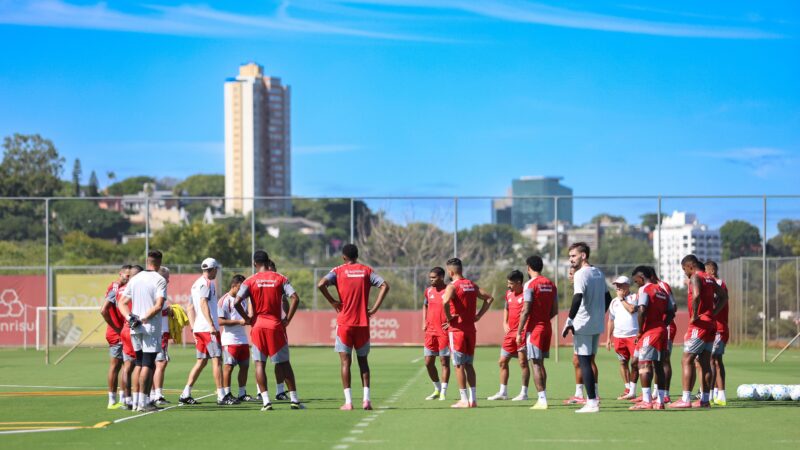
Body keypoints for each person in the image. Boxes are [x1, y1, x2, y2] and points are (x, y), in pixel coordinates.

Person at [318, 244, 390, 411]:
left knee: (345, 363)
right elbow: (385, 285)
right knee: (363, 362)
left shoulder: (338, 270)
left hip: (345, 323)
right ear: (357, 256)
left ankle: (349, 402)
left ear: (344, 257)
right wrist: (375, 308)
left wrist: (333, 301)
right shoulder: (366, 270)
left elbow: (321, 284)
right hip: (362, 323)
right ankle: (366, 400)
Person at [235, 251, 303, 411]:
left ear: (254, 264)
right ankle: (294, 400)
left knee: (259, 364)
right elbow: (295, 297)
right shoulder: (280, 278)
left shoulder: (250, 281)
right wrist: (288, 319)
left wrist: (248, 318)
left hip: (257, 327)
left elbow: (237, 302)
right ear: (268, 261)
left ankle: (266, 402)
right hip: (275, 326)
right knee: (284, 364)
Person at [669, 254, 727, 409]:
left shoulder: (695, 277)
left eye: (684, 269)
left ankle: (686, 399)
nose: (685, 273)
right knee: (705, 361)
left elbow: (696, 296)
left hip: (699, 325)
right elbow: (723, 296)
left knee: (686, 360)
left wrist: (694, 315)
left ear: (690, 266)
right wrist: (713, 313)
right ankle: (705, 400)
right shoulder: (710, 278)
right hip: (711, 324)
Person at [562, 242, 612, 414]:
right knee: (588, 362)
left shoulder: (581, 274)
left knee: (583, 363)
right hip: (596, 325)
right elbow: (608, 298)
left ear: (583, 256)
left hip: (582, 324)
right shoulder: (598, 272)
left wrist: (569, 320)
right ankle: (593, 398)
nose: (571, 260)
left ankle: (591, 402)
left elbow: (577, 298)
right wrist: (599, 315)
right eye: (570, 256)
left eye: (574, 256)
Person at [180, 258, 237, 406]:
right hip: (208, 329)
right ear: (212, 269)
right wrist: (211, 325)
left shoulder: (195, 284)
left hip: (200, 328)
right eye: (216, 269)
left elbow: (190, 307)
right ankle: (221, 395)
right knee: (217, 359)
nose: (217, 272)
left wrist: (193, 328)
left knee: (201, 361)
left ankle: (185, 393)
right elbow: (203, 302)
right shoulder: (207, 283)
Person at [118, 251, 167, 412]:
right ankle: (144, 402)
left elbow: (122, 303)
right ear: (159, 262)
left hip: (135, 328)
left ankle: (136, 402)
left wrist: (130, 318)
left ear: (147, 261)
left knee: (138, 363)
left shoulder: (135, 278)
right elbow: (159, 305)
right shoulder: (159, 280)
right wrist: (143, 318)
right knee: (148, 363)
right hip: (149, 327)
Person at [442, 257, 494, 409]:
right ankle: (473, 399)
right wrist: (478, 315)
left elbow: (445, 302)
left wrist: (449, 317)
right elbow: (489, 298)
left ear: (450, 271)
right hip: (471, 330)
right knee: (469, 364)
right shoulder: (472, 285)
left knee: (459, 365)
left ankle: (463, 399)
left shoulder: (452, 286)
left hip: (457, 331)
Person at [629, 266, 674, 410]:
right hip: (662, 331)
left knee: (644, 365)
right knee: (659, 366)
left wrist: (641, 331)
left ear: (641, 278)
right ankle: (660, 402)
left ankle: (647, 401)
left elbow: (642, 309)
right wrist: (662, 324)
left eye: (636, 281)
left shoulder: (644, 289)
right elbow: (671, 311)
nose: (636, 284)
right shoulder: (661, 290)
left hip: (650, 333)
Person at [516, 255, 557, 410]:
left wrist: (519, 331)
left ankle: (542, 400)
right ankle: (543, 397)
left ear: (528, 267)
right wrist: (544, 319)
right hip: (547, 327)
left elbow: (526, 310)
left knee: (535, 364)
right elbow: (555, 310)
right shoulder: (551, 284)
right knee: (540, 363)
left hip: (534, 330)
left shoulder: (530, 285)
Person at [488, 270, 530, 402]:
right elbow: (506, 308)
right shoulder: (508, 294)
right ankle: (503, 392)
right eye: (508, 283)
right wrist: (504, 322)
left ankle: (524, 393)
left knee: (523, 363)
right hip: (510, 333)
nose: (508, 286)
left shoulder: (527, 294)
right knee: (502, 361)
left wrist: (522, 330)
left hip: (522, 333)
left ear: (519, 283)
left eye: (511, 283)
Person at [99, 264, 132, 409]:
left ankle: (122, 398)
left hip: (123, 332)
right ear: (121, 274)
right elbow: (103, 310)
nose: (129, 278)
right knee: (118, 366)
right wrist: (117, 328)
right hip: (117, 333)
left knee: (125, 365)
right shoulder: (115, 287)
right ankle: (112, 401)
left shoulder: (127, 288)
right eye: (127, 275)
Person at [219, 274, 255, 402]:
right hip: (230, 339)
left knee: (244, 366)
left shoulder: (243, 299)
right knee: (228, 367)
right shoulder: (224, 300)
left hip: (243, 339)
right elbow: (219, 321)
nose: (242, 291)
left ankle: (242, 393)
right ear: (233, 286)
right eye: (240, 288)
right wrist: (238, 321)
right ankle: (227, 394)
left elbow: (248, 312)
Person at [605, 276, 639, 401]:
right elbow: (611, 320)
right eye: (616, 285)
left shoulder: (634, 297)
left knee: (636, 363)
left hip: (633, 335)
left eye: (620, 285)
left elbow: (631, 309)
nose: (617, 287)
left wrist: (621, 299)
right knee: (623, 362)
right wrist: (608, 338)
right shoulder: (614, 302)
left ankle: (636, 390)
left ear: (627, 285)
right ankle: (627, 388)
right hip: (619, 337)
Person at [422, 266, 450, 401]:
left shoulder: (449, 290)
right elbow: (425, 305)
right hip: (430, 332)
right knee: (428, 362)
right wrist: (424, 321)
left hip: (443, 331)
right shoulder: (428, 291)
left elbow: (459, 307)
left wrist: (451, 322)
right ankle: (437, 389)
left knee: (444, 361)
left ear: (441, 277)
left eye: (434, 277)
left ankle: (444, 392)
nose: (431, 280)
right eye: (430, 278)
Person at [649, 267, 676, 403]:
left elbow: (673, 306)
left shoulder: (662, 286)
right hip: (656, 329)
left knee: (664, 359)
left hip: (667, 326)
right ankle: (656, 392)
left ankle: (665, 393)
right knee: (656, 361)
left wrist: (664, 323)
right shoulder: (650, 287)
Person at [117, 264, 142, 409]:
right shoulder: (138, 287)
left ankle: (126, 399)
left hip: (125, 328)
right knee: (140, 364)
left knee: (127, 366)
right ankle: (140, 399)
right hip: (135, 328)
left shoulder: (122, 290)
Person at [705, 260, 729, 406]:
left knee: (713, 359)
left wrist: (711, 314)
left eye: (706, 272)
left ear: (712, 271)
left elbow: (719, 300)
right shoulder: (711, 284)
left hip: (719, 328)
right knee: (715, 360)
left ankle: (712, 395)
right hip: (713, 327)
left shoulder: (718, 284)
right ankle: (718, 395)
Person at [151, 266, 171, 405]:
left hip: (159, 330)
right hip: (159, 331)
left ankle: (152, 393)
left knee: (153, 362)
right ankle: (157, 394)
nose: (169, 280)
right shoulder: (158, 288)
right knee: (161, 362)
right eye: (167, 277)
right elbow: (156, 309)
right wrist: (169, 311)